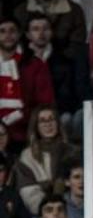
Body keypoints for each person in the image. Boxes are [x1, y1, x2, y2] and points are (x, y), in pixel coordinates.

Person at [0, 17, 53, 145]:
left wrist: (17, 118)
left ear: (19, 34)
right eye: (2, 31)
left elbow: (45, 102)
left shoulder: (35, 64)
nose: (8, 35)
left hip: (26, 130)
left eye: (12, 31)